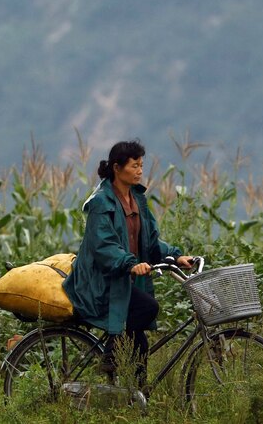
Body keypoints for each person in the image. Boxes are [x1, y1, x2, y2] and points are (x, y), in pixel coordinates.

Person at [62, 139, 193, 388]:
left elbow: (150, 241)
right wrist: (130, 263)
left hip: (122, 281)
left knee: (140, 343)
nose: (140, 171)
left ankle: (138, 397)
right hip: (101, 282)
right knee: (148, 308)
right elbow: (103, 245)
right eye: (134, 165)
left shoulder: (137, 199)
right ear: (116, 168)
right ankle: (112, 352)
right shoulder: (101, 202)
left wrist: (175, 256)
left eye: (141, 165)